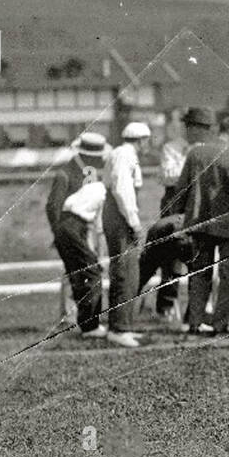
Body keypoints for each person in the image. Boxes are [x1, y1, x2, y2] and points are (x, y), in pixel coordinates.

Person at [169, 107, 229, 336]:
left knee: (199, 275)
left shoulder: (195, 155)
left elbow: (181, 191)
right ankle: (220, 324)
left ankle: (195, 322)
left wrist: (179, 219)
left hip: (200, 222)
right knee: (228, 277)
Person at [46, 132, 110, 339]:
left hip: (88, 227)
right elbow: (53, 206)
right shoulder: (65, 173)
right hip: (71, 228)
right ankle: (73, 318)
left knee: (87, 272)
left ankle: (87, 318)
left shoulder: (94, 171)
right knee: (79, 273)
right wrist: (58, 234)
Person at [101, 121, 150, 348]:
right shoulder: (125, 156)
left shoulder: (122, 154)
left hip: (117, 214)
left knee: (128, 271)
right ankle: (119, 328)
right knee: (126, 272)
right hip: (119, 216)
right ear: (141, 140)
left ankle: (122, 325)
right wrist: (134, 222)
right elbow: (122, 190)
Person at [139, 125, 190, 321]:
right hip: (174, 205)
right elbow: (168, 176)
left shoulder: (203, 147)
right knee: (169, 258)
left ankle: (175, 306)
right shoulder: (171, 148)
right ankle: (165, 307)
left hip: (193, 203)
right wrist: (193, 169)